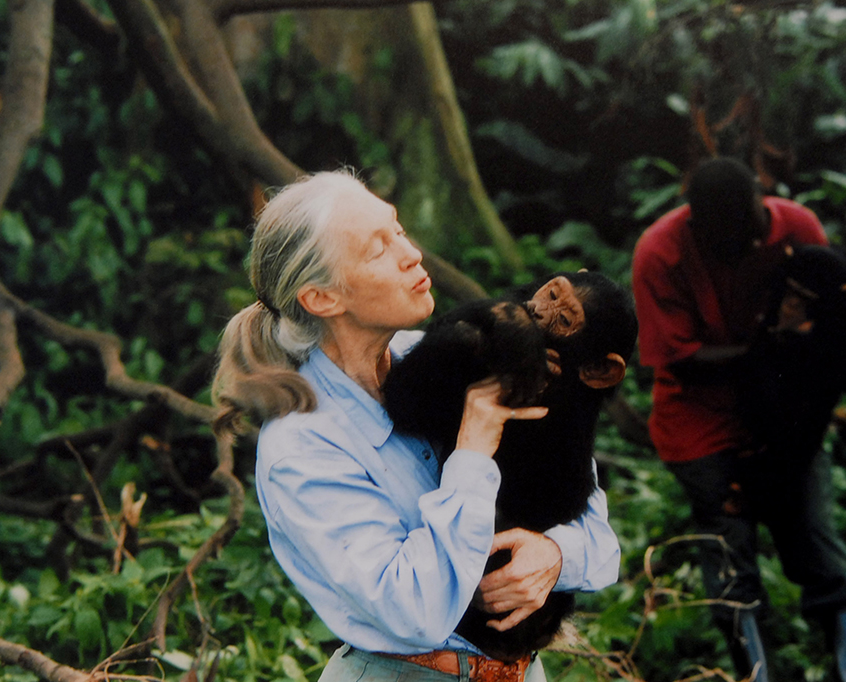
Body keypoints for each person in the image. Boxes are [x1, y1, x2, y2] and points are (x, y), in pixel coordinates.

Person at [212, 170, 621, 681]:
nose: (411, 253)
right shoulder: (302, 446)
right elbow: (416, 611)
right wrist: (473, 445)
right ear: (322, 299)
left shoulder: (426, 355)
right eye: (377, 250)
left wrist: (556, 555)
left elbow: (596, 529)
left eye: (398, 230)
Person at [631, 157, 846, 682]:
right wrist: (769, 349)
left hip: (786, 412)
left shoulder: (796, 225)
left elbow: (838, 333)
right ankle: (754, 673)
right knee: (729, 552)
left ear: (763, 203)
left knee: (814, 537)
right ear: (700, 229)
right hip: (700, 419)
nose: (751, 248)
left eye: (756, 231)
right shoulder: (662, 252)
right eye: (734, 241)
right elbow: (681, 359)